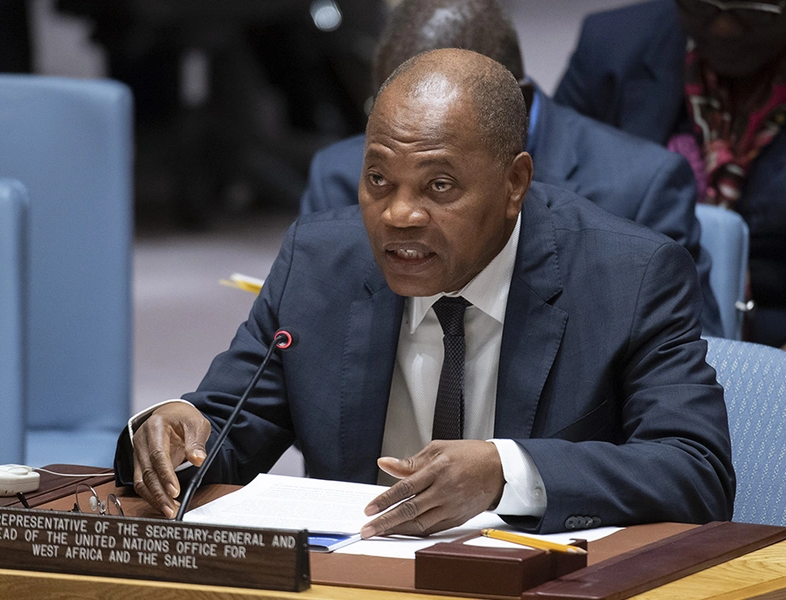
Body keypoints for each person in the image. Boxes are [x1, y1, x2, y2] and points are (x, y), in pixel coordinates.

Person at [115, 48, 734, 536]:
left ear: (515, 182)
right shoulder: (320, 262)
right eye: (378, 178)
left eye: (438, 186)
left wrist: (505, 471)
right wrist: (175, 430)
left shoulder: (629, 275)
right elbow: (227, 425)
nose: (398, 216)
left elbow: (695, 468)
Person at [300, 0, 723, 338]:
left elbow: (684, 366)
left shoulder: (639, 186)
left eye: (441, 181)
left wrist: (510, 452)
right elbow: (306, 353)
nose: (400, 211)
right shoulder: (337, 173)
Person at [554, 0, 786, 348]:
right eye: (702, 6)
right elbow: (550, 202)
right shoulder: (611, 46)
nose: (723, 28)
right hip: (632, 328)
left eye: (753, 11)